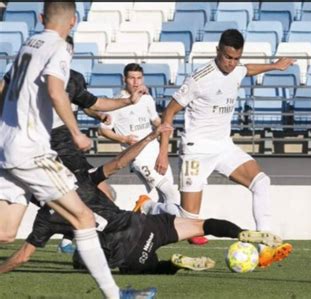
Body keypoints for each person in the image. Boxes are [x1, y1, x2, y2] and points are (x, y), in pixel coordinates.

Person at [0, 3, 154, 298]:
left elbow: (3, 89)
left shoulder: (27, 46)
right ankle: (115, 295)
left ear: (42, 18)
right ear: (73, 21)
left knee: (6, 232)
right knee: (83, 218)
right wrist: (76, 132)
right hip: (30, 150)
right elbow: (57, 92)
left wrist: (127, 102)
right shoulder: (58, 47)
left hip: (6, 147)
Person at [0, 126, 284, 275]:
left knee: (135, 264)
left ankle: (172, 264)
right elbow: (119, 161)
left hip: (124, 252)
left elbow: (23, 256)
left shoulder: (46, 215)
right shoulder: (83, 182)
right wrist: (150, 137)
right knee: (201, 224)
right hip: (144, 223)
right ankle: (239, 232)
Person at [153, 28, 293, 266]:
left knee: (261, 182)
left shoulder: (237, 69)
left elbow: (247, 70)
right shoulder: (199, 78)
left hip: (223, 146)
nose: (231, 63)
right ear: (218, 51)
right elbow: (170, 111)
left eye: (236, 58)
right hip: (196, 150)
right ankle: (150, 208)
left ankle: (266, 246)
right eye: (227, 57)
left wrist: (275, 65)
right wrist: (163, 151)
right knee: (188, 219)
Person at [99, 63, 179, 208]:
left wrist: (165, 125)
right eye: (132, 78)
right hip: (137, 156)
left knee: (169, 198)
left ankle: (158, 226)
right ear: (124, 79)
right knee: (170, 193)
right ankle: (144, 206)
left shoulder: (147, 99)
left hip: (155, 150)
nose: (136, 82)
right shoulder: (116, 102)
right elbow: (103, 130)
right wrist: (123, 139)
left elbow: (155, 120)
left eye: (139, 78)